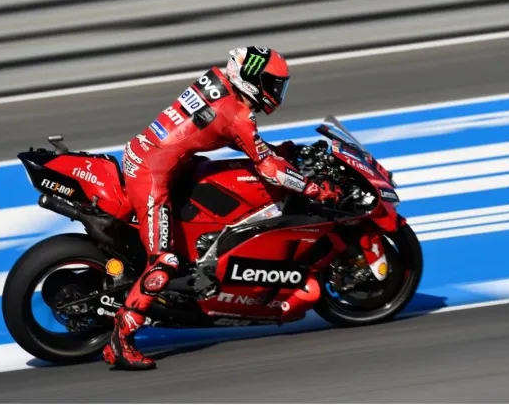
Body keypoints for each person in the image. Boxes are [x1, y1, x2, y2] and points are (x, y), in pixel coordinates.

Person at [102, 46, 344, 370]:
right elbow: (264, 163)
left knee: (225, 182)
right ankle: (121, 340)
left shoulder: (217, 81)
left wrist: (277, 151)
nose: (275, 93)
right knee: (164, 260)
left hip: (168, 160)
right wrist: (314, 188)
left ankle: (201, 259)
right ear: (251, 79)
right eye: (271, 84)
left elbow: (229, 133)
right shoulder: (238, 114)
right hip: (152, 173)